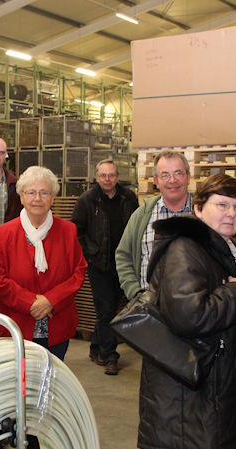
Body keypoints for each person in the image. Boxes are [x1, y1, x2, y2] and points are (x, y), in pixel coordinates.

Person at [137, 173, 236, 449]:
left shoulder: (228, 250)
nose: (231, 214)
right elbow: (189, 315)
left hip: (214, 389)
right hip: (188, 401)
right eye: (222, 205)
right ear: (199, 208)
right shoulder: (184, 249)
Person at [0, 166, 86, 360]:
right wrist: (29, 302)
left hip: (57, 325)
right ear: (21, 197)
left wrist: (51, 301)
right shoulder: (4, 233)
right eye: (31, 192)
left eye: (44, 193)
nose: (37, 198)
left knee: (50, 375)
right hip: (15, 326)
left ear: (53, 198)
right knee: (16, 376)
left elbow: (78, 272)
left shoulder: (68, 231)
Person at [71, 158, 138, 375]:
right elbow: (76, 230)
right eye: (103, 175)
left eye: (111, 175)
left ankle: (95, 348)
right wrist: (91, 253)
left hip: (123, 263)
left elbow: (137, 225)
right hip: (99, 264)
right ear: (97, 177)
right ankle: (110, 356)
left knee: (109, 308)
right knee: (107, 309)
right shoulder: (87, 200)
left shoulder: (129, 198)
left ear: (117, 177)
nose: (107, 179)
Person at [115, 150, 192, 301]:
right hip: (150, 306)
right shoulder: (142, 215)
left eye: (178, 173)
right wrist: (135, 292)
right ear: (156, 181)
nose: (172, 180)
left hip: (194, 306)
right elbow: (123, 256)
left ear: (188, 177)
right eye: (165, 175)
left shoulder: (204, 214)